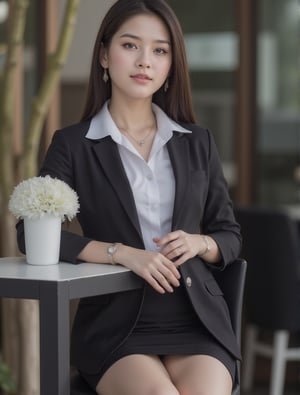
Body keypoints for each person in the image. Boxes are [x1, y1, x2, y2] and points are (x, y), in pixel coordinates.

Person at [17, 0, 242, 394]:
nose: (145, 61)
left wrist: (197, 241)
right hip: (116, 322)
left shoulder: (197, 142)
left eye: (160, 50)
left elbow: (229, 235)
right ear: (104, 55)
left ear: (171, 65)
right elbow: (29, 234)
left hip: (195, 318)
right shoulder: (74, 144)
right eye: (130, 46)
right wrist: (120, 253)